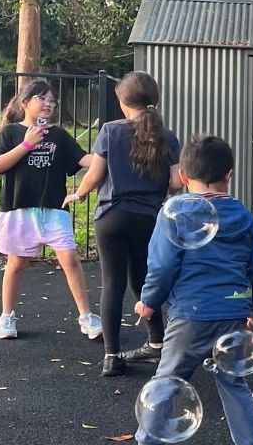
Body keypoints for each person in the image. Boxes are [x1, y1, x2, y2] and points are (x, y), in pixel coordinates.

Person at [121, 134, 253, 445]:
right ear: (229, 175)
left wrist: (149, 300)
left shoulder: (175, 212)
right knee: (235, 382)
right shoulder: (243, 215)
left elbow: (161, 265)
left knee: (167, 382)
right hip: (232, 311)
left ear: (184, 176)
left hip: (190, 313)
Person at [62, 72, 182, 377]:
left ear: (123, 100)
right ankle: (157, 343)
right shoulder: (167, 136)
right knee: (142, 280)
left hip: (112, 217)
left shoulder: (110, 131)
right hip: (149, 219)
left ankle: (112, 357)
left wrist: (78, 193)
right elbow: (175, 183)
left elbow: (94, 175)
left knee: (113, 284)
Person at [0, 79, 102, 342]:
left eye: (52, 101)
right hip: (19, 210)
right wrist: (27, 144)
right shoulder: (11, 133)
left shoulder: (59, 135)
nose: (49, 104)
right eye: (43, 99)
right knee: (16, 264)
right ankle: (7, 316)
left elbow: (83, 160)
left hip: (54, 210)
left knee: (71, 260)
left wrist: (109, 157)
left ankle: (86, 316)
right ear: (25, 102)